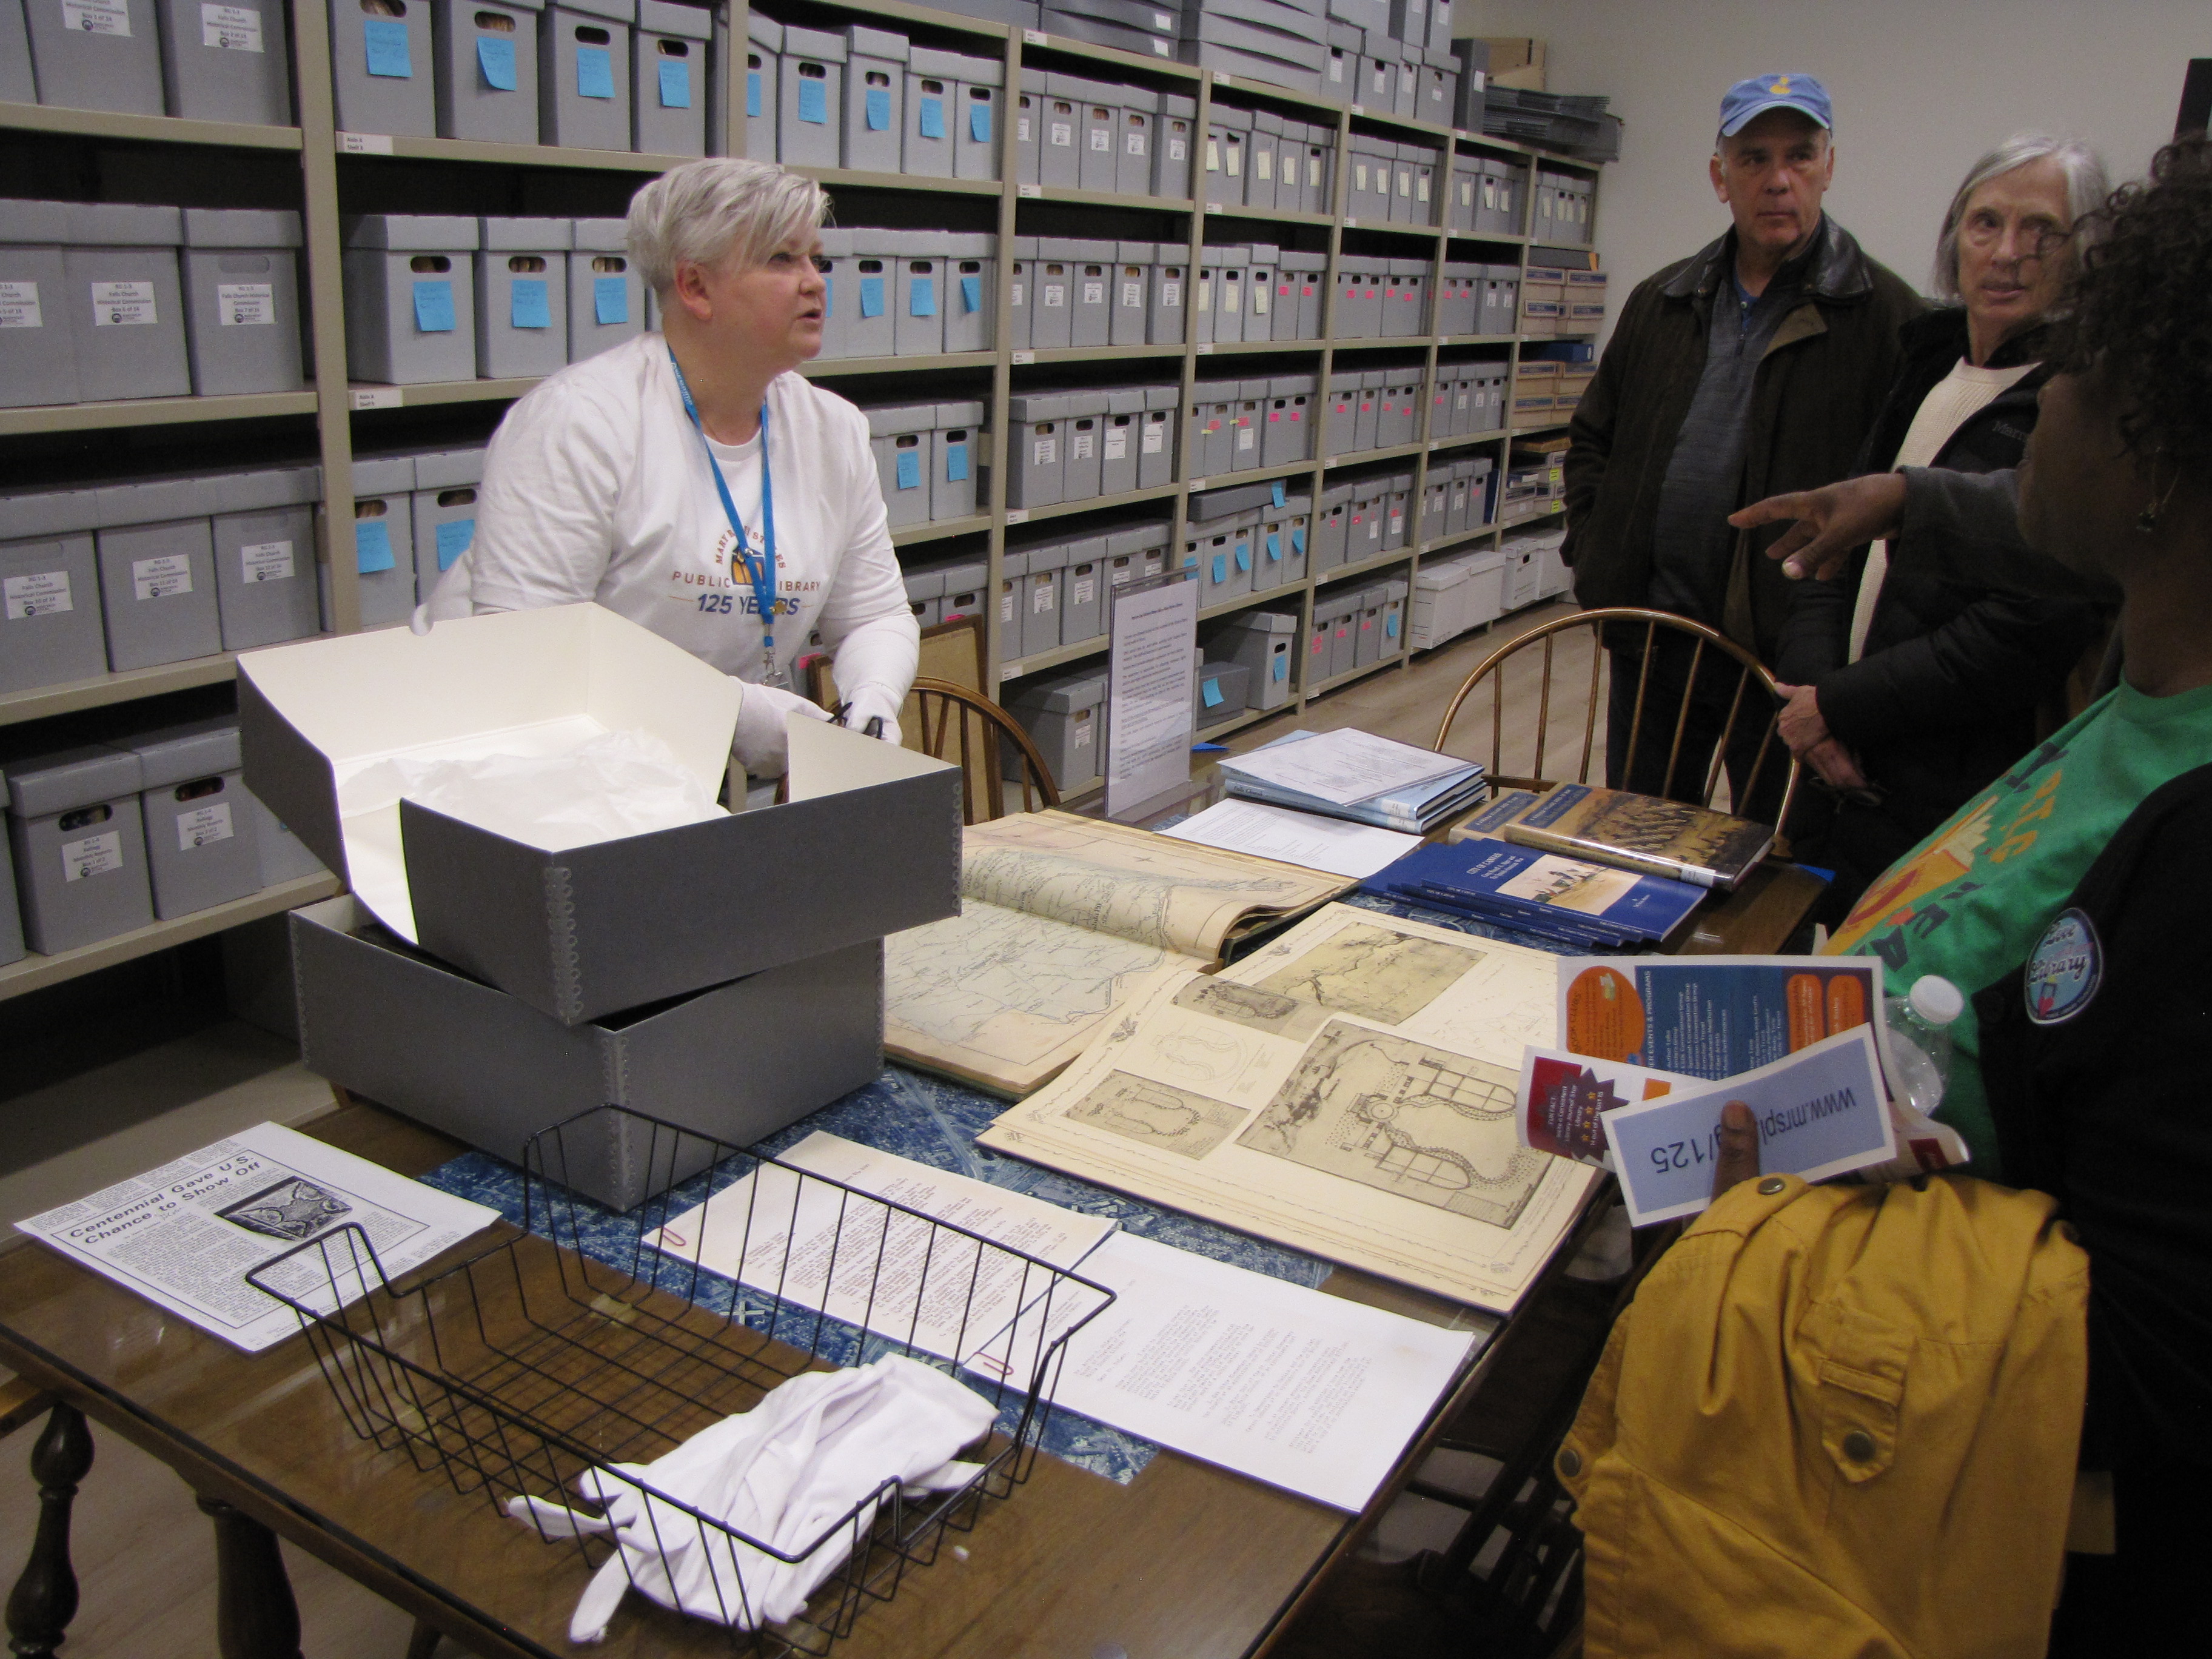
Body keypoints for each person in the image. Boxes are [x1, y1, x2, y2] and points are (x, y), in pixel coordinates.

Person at [1729, 135, 2212, 1649]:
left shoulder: (2194, 839)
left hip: (1951, 1525)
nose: (2035, 407)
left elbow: (2145, 1364)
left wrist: (1808, 1219)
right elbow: (2002, 510)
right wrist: (1895, 493)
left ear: (2157, 457)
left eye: (2070, 380)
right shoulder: (2151, 673)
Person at [460, 158, 919, 780]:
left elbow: (873, 614)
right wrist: (732, 709)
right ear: (695, 288)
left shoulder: (833, 431)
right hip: (536, 773)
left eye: (816, 258)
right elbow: (530, 658)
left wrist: (872, 703)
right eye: (783, 260)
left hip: (682, 768)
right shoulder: (578, 424)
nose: (814, 282)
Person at [1563, 73, 1922, 820]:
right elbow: (1595, 434)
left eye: (1800, 155)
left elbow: (1903, 493)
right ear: (1720, 176)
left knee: (1773, 862)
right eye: (1754, 158)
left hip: (1785, 659)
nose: (1778, 180)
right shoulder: (1663, 299)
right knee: (1637, 847)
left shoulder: (1887, 319)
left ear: (1830, 166)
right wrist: (1593, 548)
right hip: (1655, 635)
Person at [1771, 136, 2112, 921]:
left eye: (2042, 231)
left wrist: (1841, 706)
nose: (2008, 253)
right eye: (1985, 223)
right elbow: (1832, 541)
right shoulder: (1922, 366)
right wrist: (1812, 697)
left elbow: (2031, 624)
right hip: (1832, 759)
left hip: (1949, 784)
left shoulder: (2074, 401)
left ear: (2085, 251)